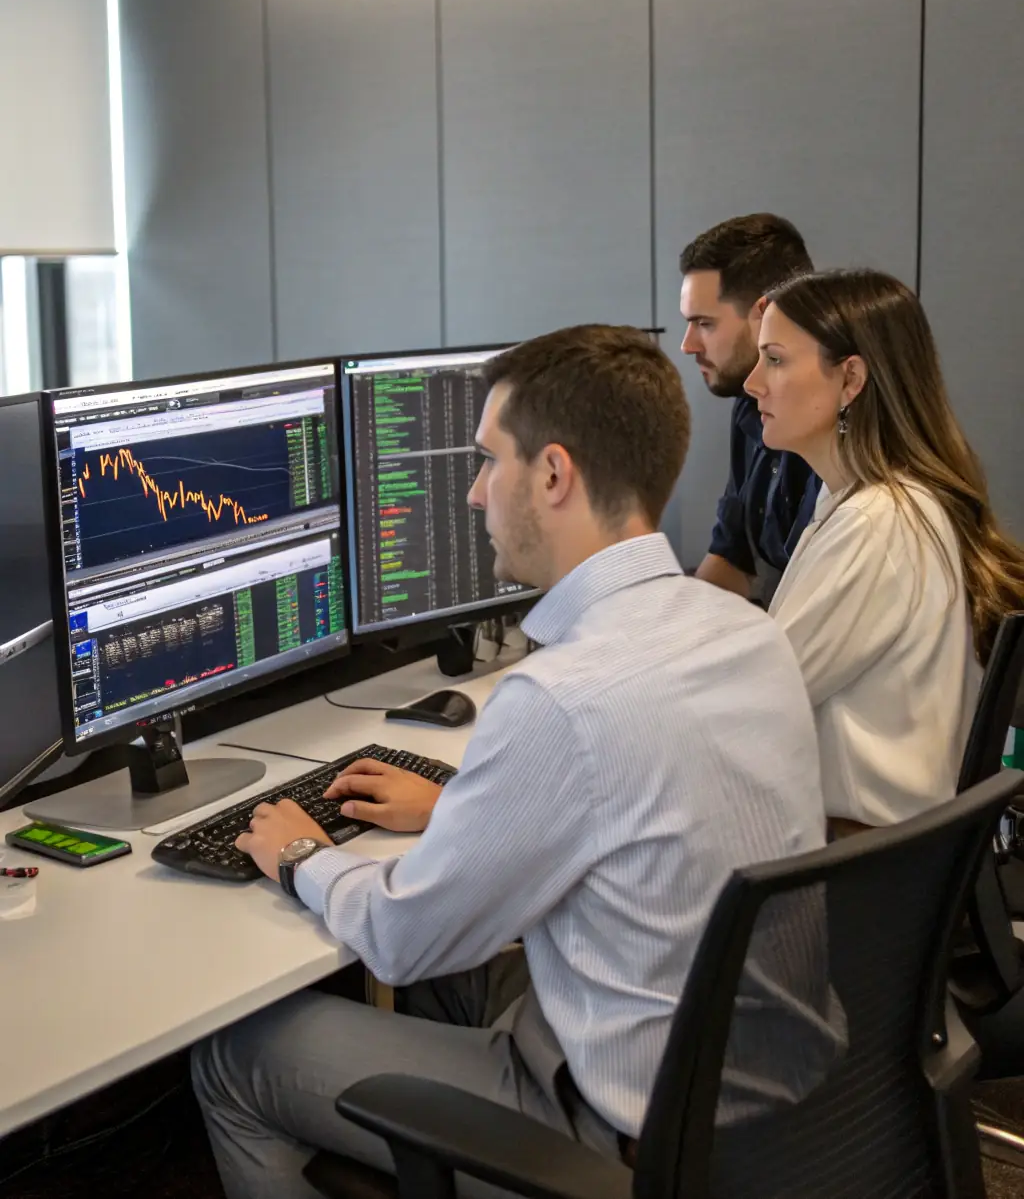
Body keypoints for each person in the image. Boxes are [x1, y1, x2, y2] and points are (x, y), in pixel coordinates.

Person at [192, 324, 841, 1199]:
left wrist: (303, 853)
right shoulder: (746, 632)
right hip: (754, 1097)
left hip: (615, 1135)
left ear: (553, 475)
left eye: (488, 459)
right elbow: (640, 804)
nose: (471, 492)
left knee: (232, 1052)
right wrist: (466, 803)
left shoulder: (559, 698)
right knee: (451, 977)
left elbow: (399, 940)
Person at [745, 269, 1024, 834]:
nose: (753, 382)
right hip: (873, 861)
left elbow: (755, 702)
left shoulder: (879, 525)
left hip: (847, 872)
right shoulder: (868, 503)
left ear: (850, 380)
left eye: (774, 359)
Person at [680, 213, 820, 602]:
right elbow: (731, 560)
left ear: (766, 314)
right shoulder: (749, 407)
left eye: (704, 323)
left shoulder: (834, 433)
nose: (687, 344)